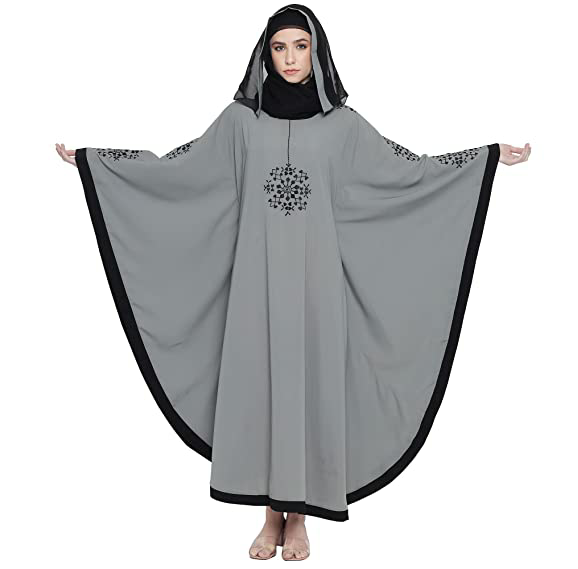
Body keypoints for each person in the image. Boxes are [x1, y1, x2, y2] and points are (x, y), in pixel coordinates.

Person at [56, 3, 531, 562]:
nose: (289, 58)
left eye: (300, 47)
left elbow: (410, 171)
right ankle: (268, 516)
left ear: (317, 53)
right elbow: (178, 168)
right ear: (265, 55)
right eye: (279, 48)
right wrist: (97, 163)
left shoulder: (344, 126)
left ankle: (299, 519)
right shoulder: (240, 122)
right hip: (253, 287)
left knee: (308, 387)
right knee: (261, 389)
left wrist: (483, 158)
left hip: (317, 288)